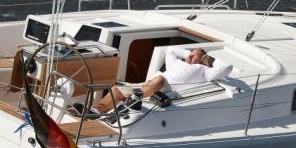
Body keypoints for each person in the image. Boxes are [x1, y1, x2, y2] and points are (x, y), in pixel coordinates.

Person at [94, 46, 233, 113]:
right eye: (189, 54)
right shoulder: (177, 63)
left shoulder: (205, 71)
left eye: (193, 56)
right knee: (116, 90)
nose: (189, 57)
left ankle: (134, 98)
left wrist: (210, 60)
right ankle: (95, 113)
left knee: (159, 79)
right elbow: (171, 50)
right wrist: (188, 54)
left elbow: (227, 67)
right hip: (149, 85)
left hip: (163, 88)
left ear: (203, 60)